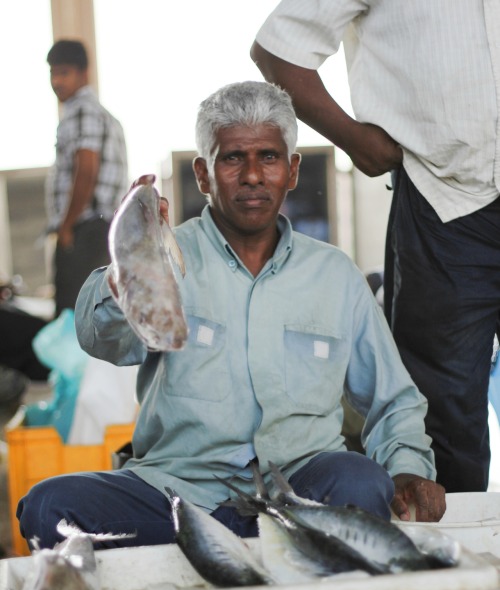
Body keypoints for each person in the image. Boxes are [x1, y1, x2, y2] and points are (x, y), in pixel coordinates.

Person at [17, 81, 445, 552]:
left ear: (293, 170)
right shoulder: (165, 255)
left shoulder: (333, 275)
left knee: (362, 482)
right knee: (48, 505)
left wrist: (409, 469)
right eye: (232, 158)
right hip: (177, 496)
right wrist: (133, 262)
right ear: (203, 174)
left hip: (300, 491)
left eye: (269, 157)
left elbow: (394, 400)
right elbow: (101, 338)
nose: (253, 175)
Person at [250, 1, 500, 495]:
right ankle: (453, 565)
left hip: (451, 202)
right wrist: (353, 139)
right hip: (445, 204)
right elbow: (277, 50)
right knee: (443, 419)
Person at [45, 39, 129, 318]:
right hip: (101, 230)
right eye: (52, 73)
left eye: (64, 72)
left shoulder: (82, 110)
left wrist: (66, 227)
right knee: (95, 317)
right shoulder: (103, 115)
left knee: (72, 320)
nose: (56, 81)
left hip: (87, 229)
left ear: (84, 74)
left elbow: (87, 169)